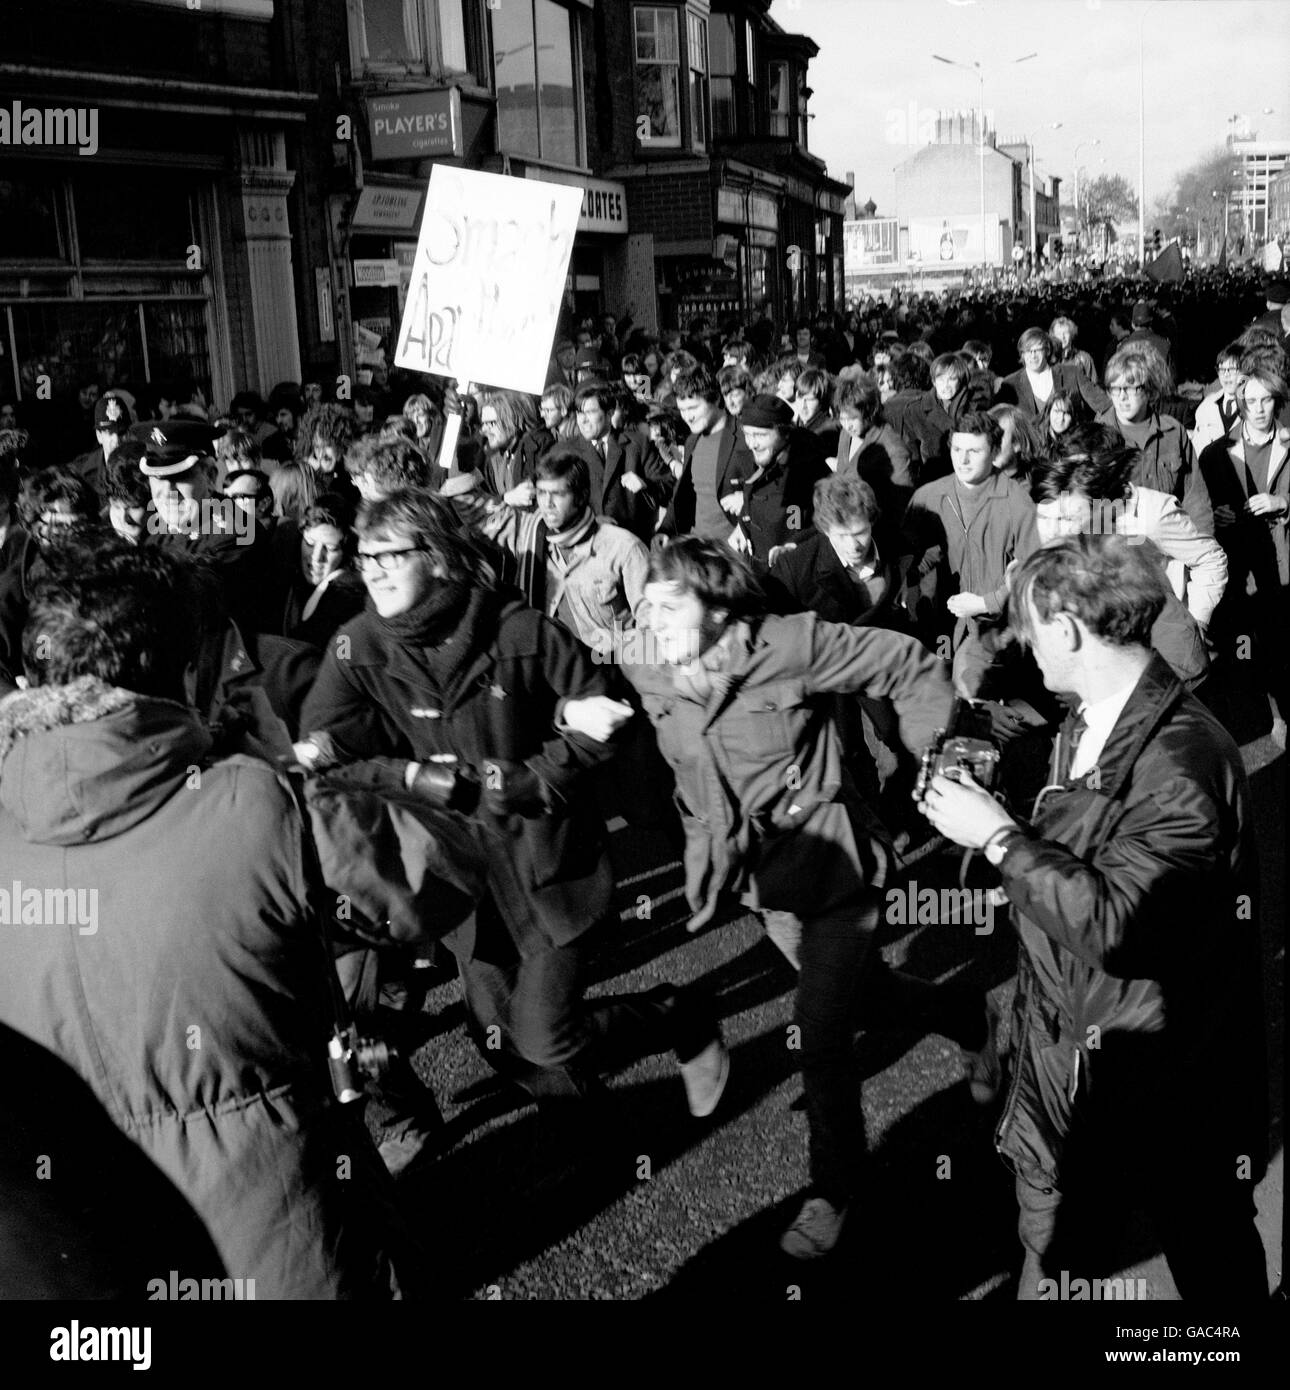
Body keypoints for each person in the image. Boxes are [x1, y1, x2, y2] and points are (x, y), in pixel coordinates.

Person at [0, 538, 410, 1297]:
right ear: (190, 672)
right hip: (275, 1235)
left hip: (79, 1257)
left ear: (35, 678)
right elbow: (418, 890)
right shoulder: (258, 808)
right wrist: (286, 770)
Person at [620, 537, 998, 1259]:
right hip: (760, 882)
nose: (652, 618)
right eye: (647, 605)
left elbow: (907, 663)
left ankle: (835, 1188)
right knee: (865, 998)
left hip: (835, 865)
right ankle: (965, 1015)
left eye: (671, 605)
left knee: (819, 1028)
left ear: (719, 603)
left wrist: (939, 759)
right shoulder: (646, 664)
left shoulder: (790, 644)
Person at [297, 489, 729, 1120]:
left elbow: (605, 721)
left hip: (551, 865)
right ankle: (594, 1133)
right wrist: (409, 775)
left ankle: (676, 1014)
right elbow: (325, 760)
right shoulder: (356, 646)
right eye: (366, 558)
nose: (374, 571)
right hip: (457, 880)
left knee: (544, 1034)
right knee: (499, 1039)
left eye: (390, 556)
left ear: (439, 556)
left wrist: (524, 779)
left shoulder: (521, 630)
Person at [919, 534, 1268, 1301]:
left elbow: (1121, 924)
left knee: (1207, 1252)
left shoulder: (1182, 761)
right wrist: (985, 802)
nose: (1022, 645)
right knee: (1056, 1247)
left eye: (1030, 628)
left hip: (1162, 1072)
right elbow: (1085, 844)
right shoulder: (1094, 715)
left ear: (1069, 631)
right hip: (1068, 1045)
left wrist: (1000, 838)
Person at [1198, 354, 1290, 736]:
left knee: (1279, 641)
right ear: (1238, 403)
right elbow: (1199, 507)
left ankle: (1280, 713)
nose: (1257, 409)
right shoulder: (1215, 453)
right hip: (1238, 570)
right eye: (1249, 401)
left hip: (1283, 567)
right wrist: (1215, 515)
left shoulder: (1289, 446)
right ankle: (1250, 698)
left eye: (1265, 400)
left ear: (1277, 402)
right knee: (1242, 642)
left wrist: (1282, 503)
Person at [482, 445, 649, 655]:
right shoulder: (530, 531)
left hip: (606, 667)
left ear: (581, 496)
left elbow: (652, 628)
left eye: (558, 494)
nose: (547, 504)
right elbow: (483, 522)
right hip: (547, 664)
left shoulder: (623, 548)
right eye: (541, 493)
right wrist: (505, 499)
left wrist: (616, 647)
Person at [903, 411, 1038, 654]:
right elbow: (905, 556)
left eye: (974, 451)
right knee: (941, 680)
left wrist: (986, 603)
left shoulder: (1017, 502)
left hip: (996, 629)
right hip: (940, 626)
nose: (963, 460)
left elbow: (1033, 570)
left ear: (995, 452)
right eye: (957, 450)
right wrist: (909, 587)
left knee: (979, 685)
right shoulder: (927, 498)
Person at [1097, 345, 1213, 541]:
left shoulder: (1173, 432)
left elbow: (1196, 499)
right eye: (1115, 389)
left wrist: (1202, 547)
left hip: (1170, 548)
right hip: (1119, 553)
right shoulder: (1097, 436)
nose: (1122, 397)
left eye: (1131, 388)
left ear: (1149, 391)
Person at [725, 393, 830, 567]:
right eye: (747, 434)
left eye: (760, 435)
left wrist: (793, 544)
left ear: (785, 433)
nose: (752, 444)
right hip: (756, 566)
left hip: (791, 571)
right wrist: (742, 529)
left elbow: (799, 521)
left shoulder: (807, 470)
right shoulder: (758, 457)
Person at [663, 364, 756, 542]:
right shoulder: (692, 440)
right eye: (682, 410)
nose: (688, 417)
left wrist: (746, 501)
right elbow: (681, 494)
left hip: (730, 551)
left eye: (693, 408)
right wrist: (665, 530)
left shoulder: (745, 438)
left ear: (715, 400)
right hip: (694, 546)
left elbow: (778, 495)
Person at [572, 381, 674, 541]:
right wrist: (590, 522)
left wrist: (646, 485)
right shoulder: (569, 451)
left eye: (590, 412)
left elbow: (668, 486)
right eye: (579, 413)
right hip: (589, 544)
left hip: (633, 543)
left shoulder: (637, 444)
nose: (583, 420)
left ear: (609, 413)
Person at [999, 328, 1109, 424]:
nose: (1032, 356)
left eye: (1037, 350)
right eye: (1028, 351)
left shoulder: (1072, 373)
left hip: (1069, 444)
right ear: (1022, 354)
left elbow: (1104, 405)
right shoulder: (1010, 384)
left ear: (1047, 351)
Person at [1190, 340, 1246, 454]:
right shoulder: (1207, 406)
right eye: (1221, 369)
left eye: (1231, 369)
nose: (1226, 375)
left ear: (1244, 371)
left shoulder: (1254, 405)